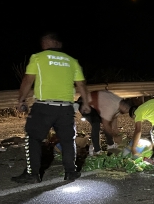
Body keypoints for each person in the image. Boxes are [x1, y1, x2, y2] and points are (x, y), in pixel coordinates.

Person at [13, 33, 91, 183]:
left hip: (44, 107)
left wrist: (21, 100)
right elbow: (81, 84)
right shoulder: (72, 61)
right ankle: (71, 172)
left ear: (49, 43)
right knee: (68, 140)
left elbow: (28, 79)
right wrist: (86, 103)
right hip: (66, 108)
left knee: (33, 138)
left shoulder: (38, 57)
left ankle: (32, 174)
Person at [75, 90, 133, 154]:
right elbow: (105, 125)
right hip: (84, 103)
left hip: (95, 106)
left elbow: (113, 123)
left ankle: (110, 145)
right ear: (125, 107)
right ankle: (96, 150)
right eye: (127, 111)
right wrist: (115, 136)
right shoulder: (111, 106)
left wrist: (117, 133)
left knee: (107, 123)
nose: (125, 113)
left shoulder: (120, 104)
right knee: (96, 123)